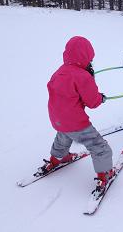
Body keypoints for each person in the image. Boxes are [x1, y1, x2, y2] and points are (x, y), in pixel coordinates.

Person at [44, 36, 114, 197]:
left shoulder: (59, 72)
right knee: (99, 147)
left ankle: (56, 158)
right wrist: (100, 97)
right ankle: (104, 174)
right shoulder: (83, 76)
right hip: (76, 122)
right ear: (87, 56)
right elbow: (92, 102)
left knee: (63, 136)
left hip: (57, 118)